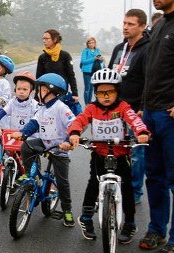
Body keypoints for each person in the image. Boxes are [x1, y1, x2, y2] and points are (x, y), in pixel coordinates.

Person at [63, 68, 150, 243]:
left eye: (110, 91)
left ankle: (130, 223)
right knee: (93, 183)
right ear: (96, 93)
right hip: (99, 153)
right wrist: (74, 133)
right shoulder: (92, 108)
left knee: (127, 189)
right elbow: (80, 120)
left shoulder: (123, 107)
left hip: (120, 154)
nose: (106, 96)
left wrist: (141, 131)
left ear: (117, 91)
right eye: (101, 92)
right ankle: (86, 218)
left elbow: (134, 119)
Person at [11, 73, 76, 227]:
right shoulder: (41, 108)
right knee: (26, 146)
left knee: (62, 181)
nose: (37, 92)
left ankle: (67, 210)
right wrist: (23, 133)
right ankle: (31, 175)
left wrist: (68, 141)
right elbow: (34, 123)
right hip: (44, 142)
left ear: (50, 90)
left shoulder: (61, 108)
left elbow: (73, 125)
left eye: (40, 89)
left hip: (59, 147)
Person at [138, 0, 174, 251]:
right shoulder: (159, 26)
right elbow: (150, 73)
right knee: (155, 176)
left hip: (170, 115)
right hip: (150, 113)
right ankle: (156, 230)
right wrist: (142, 106)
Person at [107, 8, 150, 205]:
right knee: (114, 148)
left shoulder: (147, 49)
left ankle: (134, 192)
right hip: (115, 109)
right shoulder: (118, 48)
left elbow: (150, 80)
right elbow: (108, 77)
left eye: (130, 24)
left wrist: (142, 106)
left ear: (142, 26)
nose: (125, 27)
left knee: (136, 154)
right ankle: (116, 185)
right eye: (124, 23)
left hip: (135, 110)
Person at [36, 29, 79, 103]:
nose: (44, 41)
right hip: (46, 92)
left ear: (55, 39)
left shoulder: (65, 56)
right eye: (43, 38)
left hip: (61, 91)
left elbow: (71, 75)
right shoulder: (42, 57)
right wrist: (37, 95)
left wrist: (75, 93)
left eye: (46, 38)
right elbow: (39, 78)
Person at [79, 37, 104, 104]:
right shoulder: (85, 51)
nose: (91, 44)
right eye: (89, 43)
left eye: (92, 42)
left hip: (96, 71)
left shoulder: (97, 50)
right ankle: (87, 103)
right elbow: (83, 61)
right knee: (88, 88)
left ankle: (92, 103)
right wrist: (94, 58)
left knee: (93, 88)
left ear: (95, 43)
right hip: (87, 71)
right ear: (87, 44)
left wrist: (101, 58)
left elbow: (100, 62)